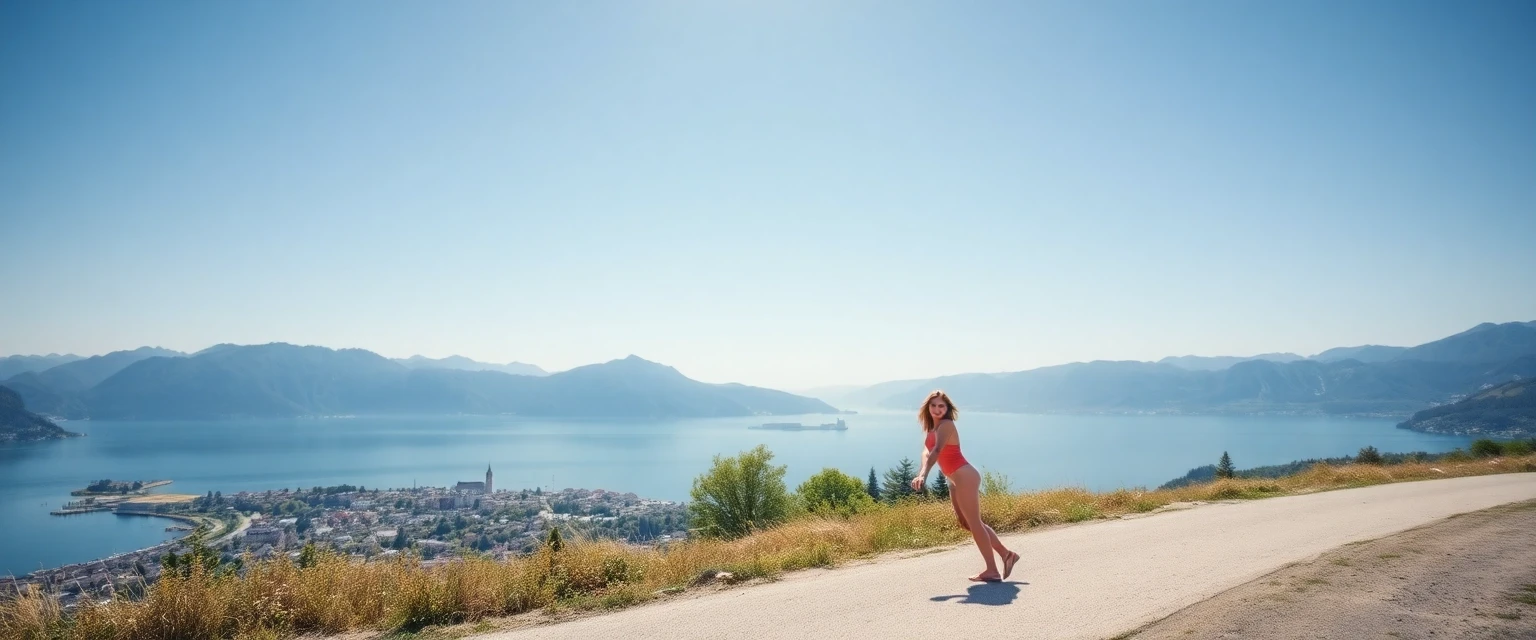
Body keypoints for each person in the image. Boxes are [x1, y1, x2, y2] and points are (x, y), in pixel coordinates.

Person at [911, 390, 1019, 582]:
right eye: (933, 405)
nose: (937, 409)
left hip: (965, 476)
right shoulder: (932, 428)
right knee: (966, 522)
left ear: (947, 408)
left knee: (975, 523)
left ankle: (992, 570)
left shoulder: (946, 425)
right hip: (953, 479)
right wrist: (921, 471)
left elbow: (937, 451)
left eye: (941, 406)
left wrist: (923, 474)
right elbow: (927, 452)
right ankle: (1006, 554)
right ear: (928, 407)